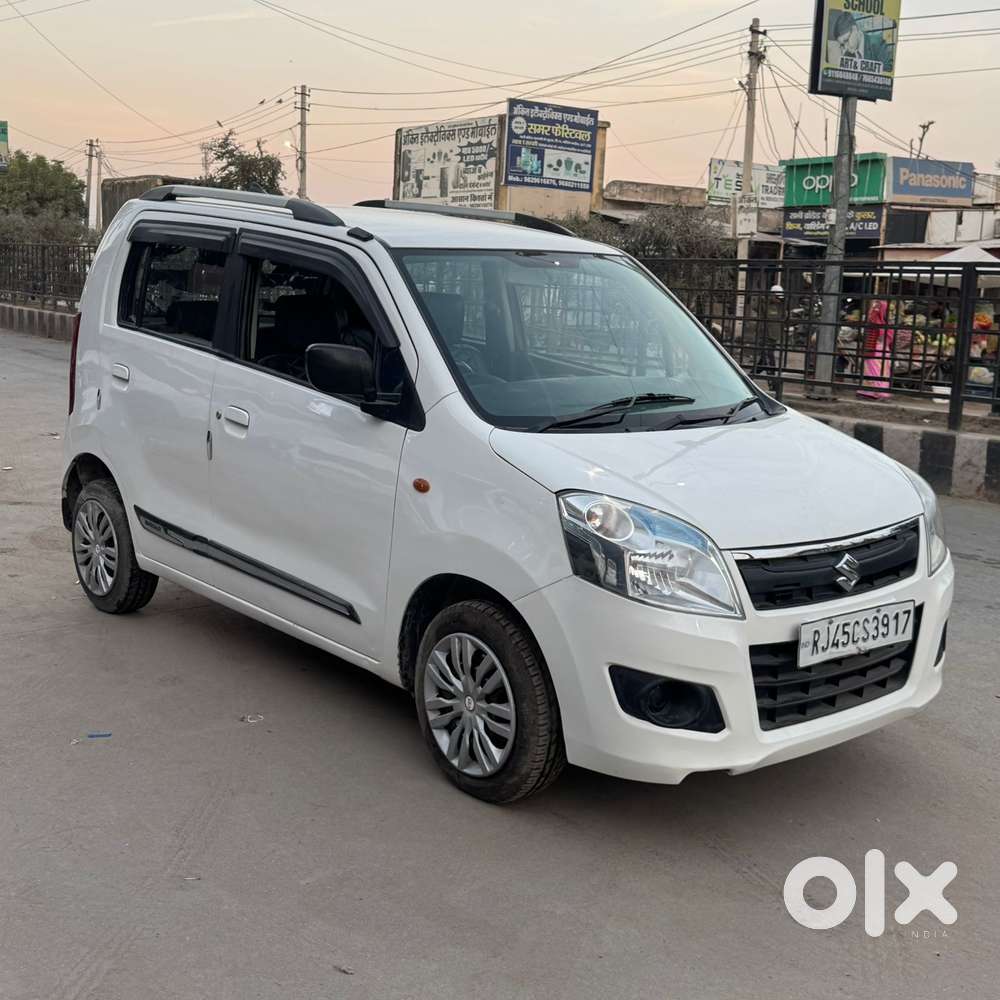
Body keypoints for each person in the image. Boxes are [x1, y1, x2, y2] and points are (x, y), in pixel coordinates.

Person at [857, 300, 895, 400]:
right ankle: (879, 392)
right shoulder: (885, 324)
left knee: (872, 371)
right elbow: (889, 339)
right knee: (881, 372)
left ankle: (871, 392)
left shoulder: (873, 321)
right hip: (882, 350)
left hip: (873, 349)